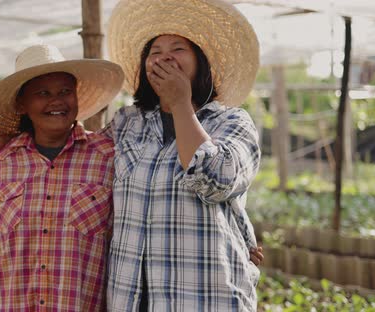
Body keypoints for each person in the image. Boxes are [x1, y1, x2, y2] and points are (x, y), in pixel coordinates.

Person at [104, 0, 263, 310]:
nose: (165, 57)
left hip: (205, 297)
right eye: (155, 51)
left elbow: (218, 180)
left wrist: (180, 103)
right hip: (129, 298)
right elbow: (87, 176)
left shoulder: (230, 121)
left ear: (200, 62)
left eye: (178, 49)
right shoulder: (125, 122)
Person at [0, 44, 124, 311]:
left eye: (65, 91)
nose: (56, 101)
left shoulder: (106, 157)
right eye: (43, 93)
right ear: (22, 104)